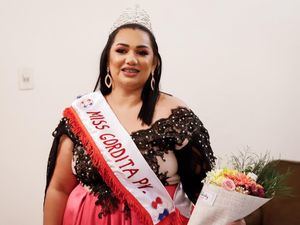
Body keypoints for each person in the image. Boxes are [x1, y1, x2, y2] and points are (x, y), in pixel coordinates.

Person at [43, 5, 246, 225]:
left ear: (154, 62)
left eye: (142, 52)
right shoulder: (84, 112)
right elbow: (59, 188)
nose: (131, 59)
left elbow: (203, 190)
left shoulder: (177, 117)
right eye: (121, 50)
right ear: (108, 59)